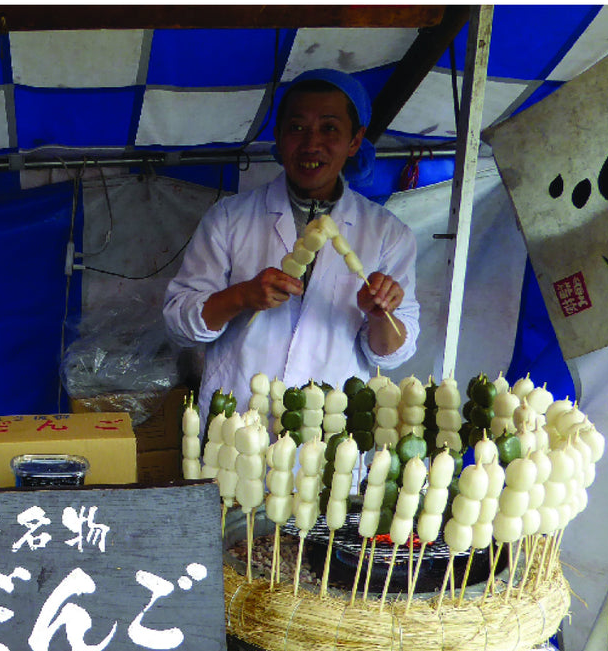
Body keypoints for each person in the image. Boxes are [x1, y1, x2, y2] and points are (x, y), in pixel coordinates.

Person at [163, 68, 420, 426]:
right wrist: (241, 296)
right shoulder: (228, 218)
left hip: (329, 433)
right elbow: (179, 322)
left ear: (355, 140)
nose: (311, 143)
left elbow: (393, 352)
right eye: (297, 127)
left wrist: (380, 314)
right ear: (279, 137)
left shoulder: (388, 233)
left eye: (329, 128)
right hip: (237, 420)